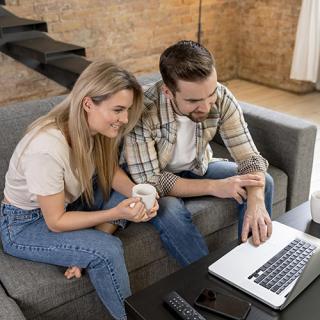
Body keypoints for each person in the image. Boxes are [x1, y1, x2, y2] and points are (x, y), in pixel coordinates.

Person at [0, 60, 158, 320]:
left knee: (129, 194)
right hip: (25, 225)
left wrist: (139, 194)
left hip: (69, 204)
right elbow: (56, 221)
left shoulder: (93, 130)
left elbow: (109, 172)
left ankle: (86, 244)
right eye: (118, 110)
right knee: (107, 251)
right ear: (88, 103)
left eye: (127, 110)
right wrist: (114, 214)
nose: (125, 119)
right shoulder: (47, 149)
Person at [123, 40, 274, 267]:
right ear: (167, 91)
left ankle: (251, 267)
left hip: (197, 167)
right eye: (193, 100)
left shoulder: (221, 97)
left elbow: (249, 158)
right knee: (169, 211)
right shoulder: (142, 110)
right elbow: (150, 181)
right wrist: (216, 187)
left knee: (264, 182)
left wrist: (257, 198)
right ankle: (208, 281)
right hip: (156, 182)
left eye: (210, 94)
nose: (205, 106)